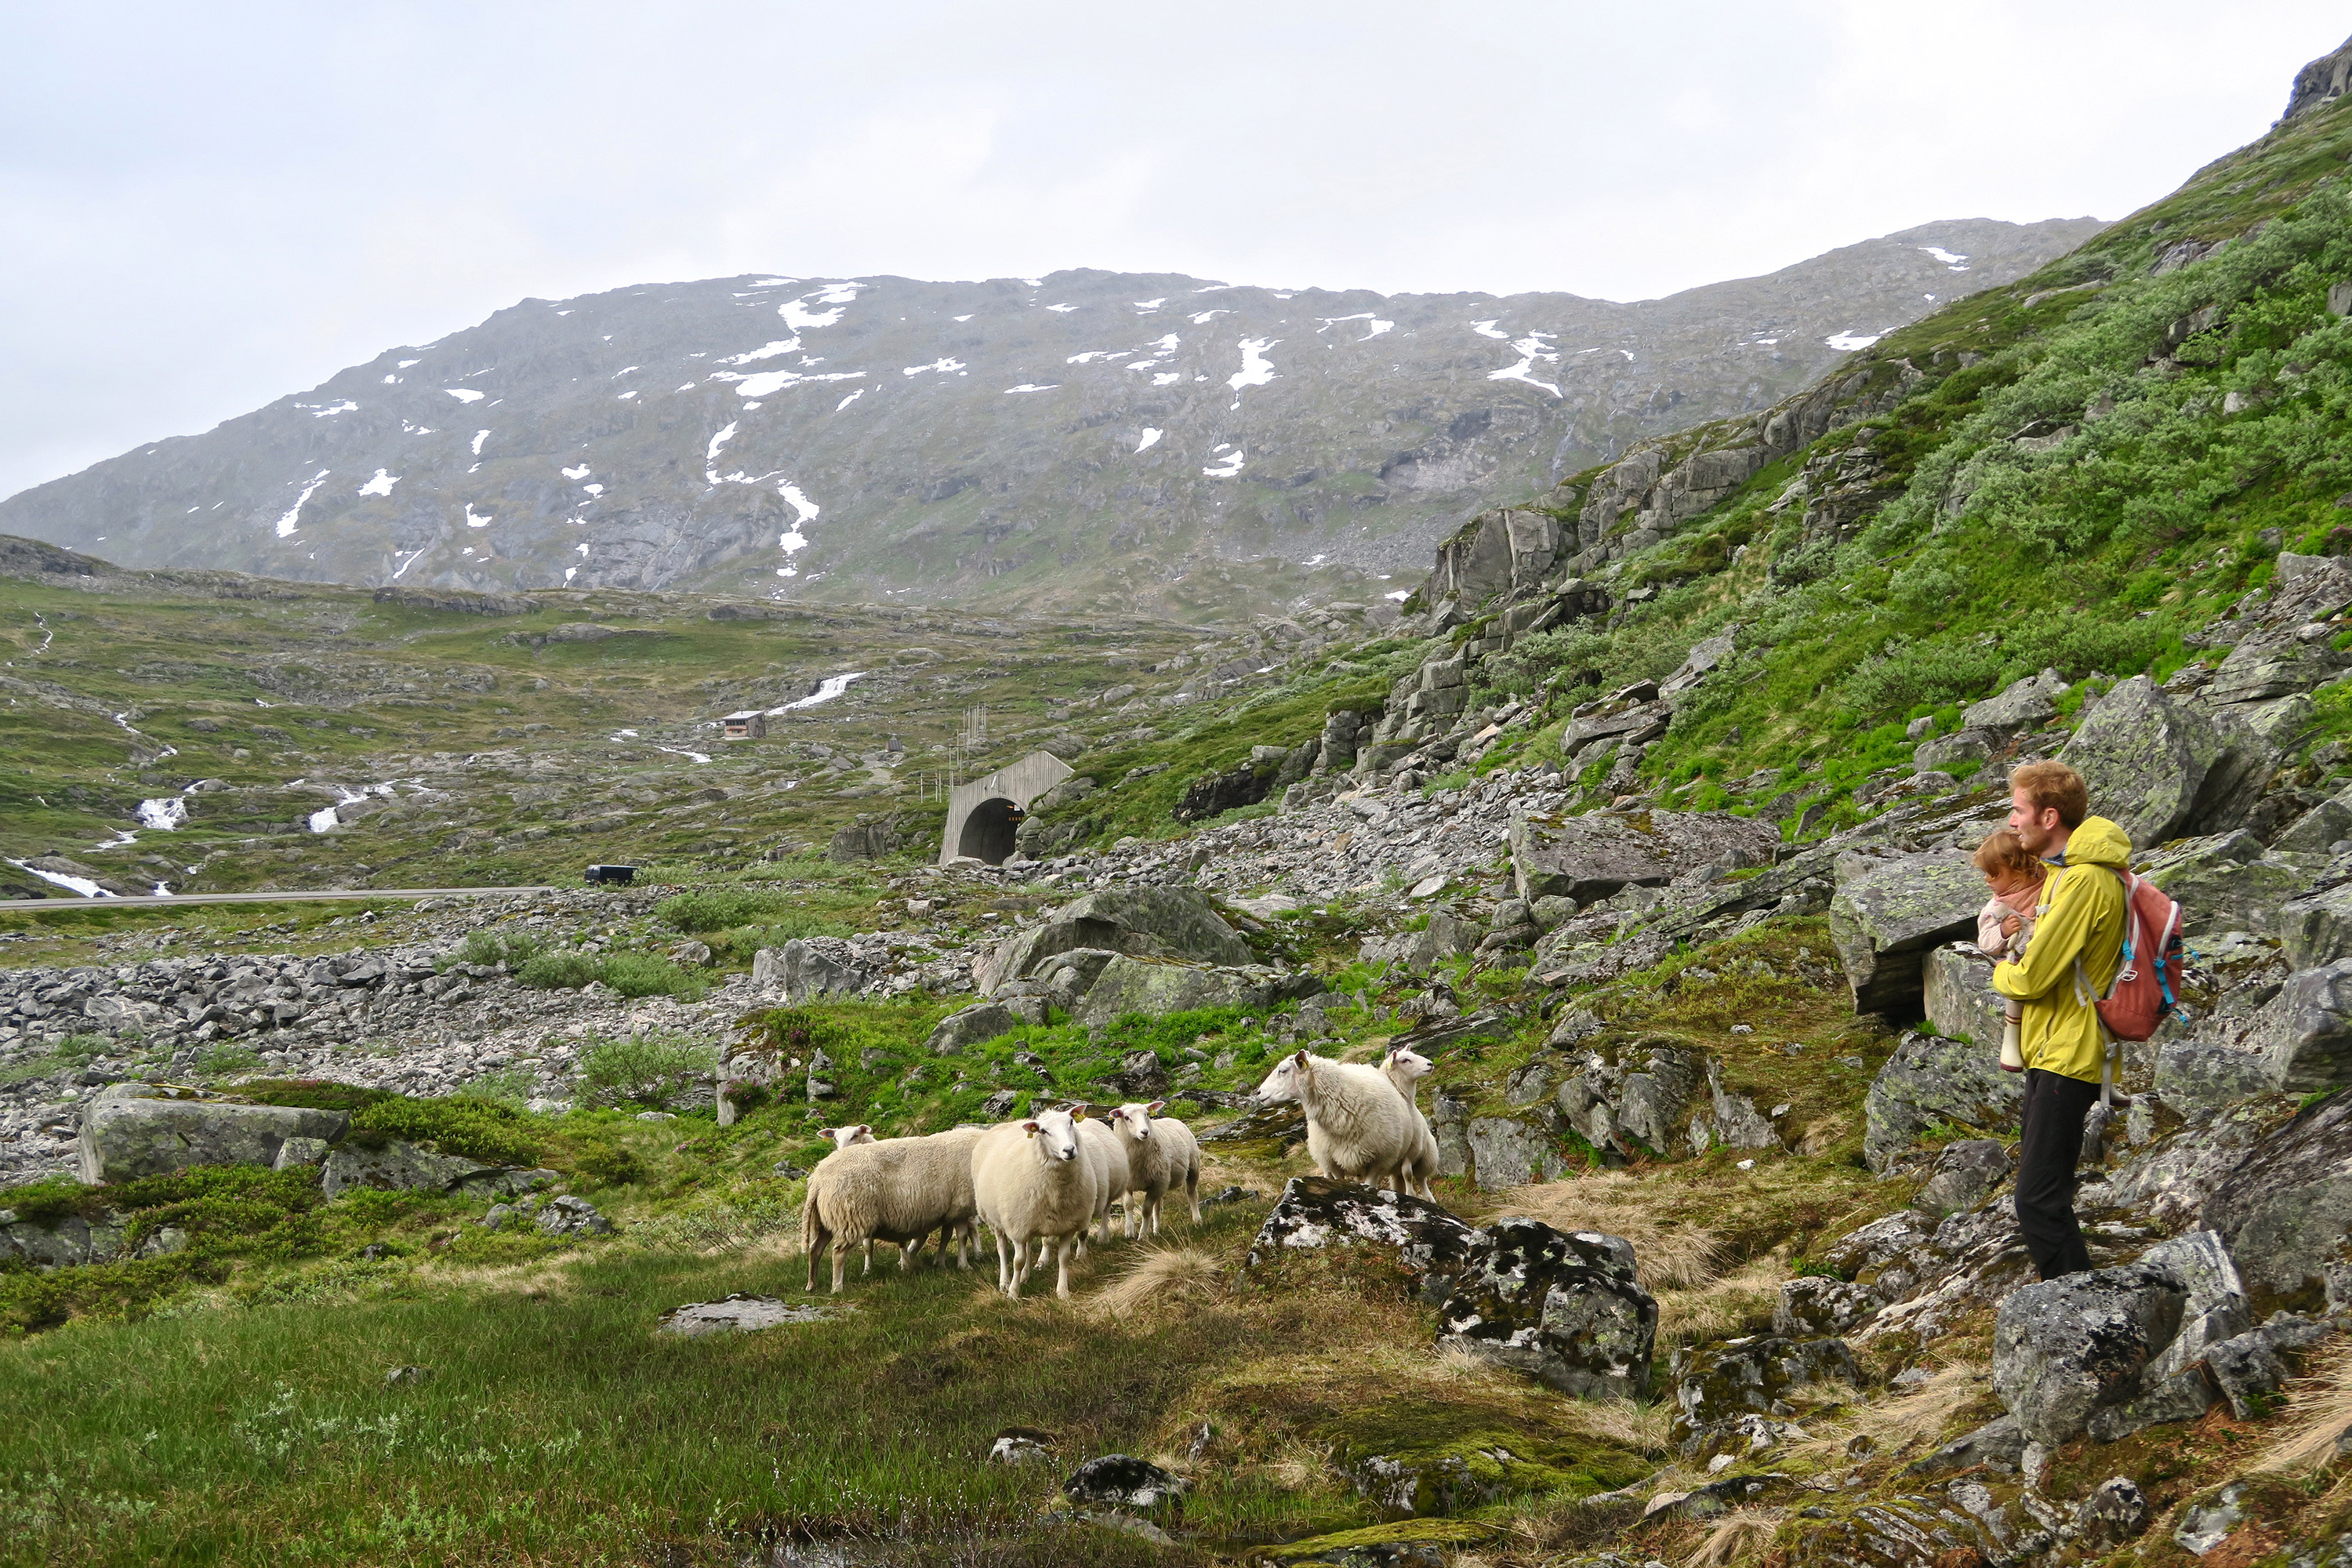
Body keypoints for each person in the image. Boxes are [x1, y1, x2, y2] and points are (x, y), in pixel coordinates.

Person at [1989, 759, 2129, 1280]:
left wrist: (2002, 973)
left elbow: (2031, 979)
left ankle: (2082, 1311)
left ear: (2049, 817)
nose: (2011, 821)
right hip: (2051, 1050)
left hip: (2070, 1055)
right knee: (2044, 1196)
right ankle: (2078, 1302)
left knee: (2037, 1201)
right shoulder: (2061, 875)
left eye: (2018, 810)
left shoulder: (2085, 882)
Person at [1972, 828, 2049, 1070]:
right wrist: (2003, 932)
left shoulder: (2048, 885)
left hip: (2049, 963)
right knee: (2016, 999)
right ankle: (2011, 1039)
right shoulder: (1997, 906)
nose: (1987, 880)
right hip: (2018, 967)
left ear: (2019, 871)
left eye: (1993, 874)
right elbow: (1985, 942)